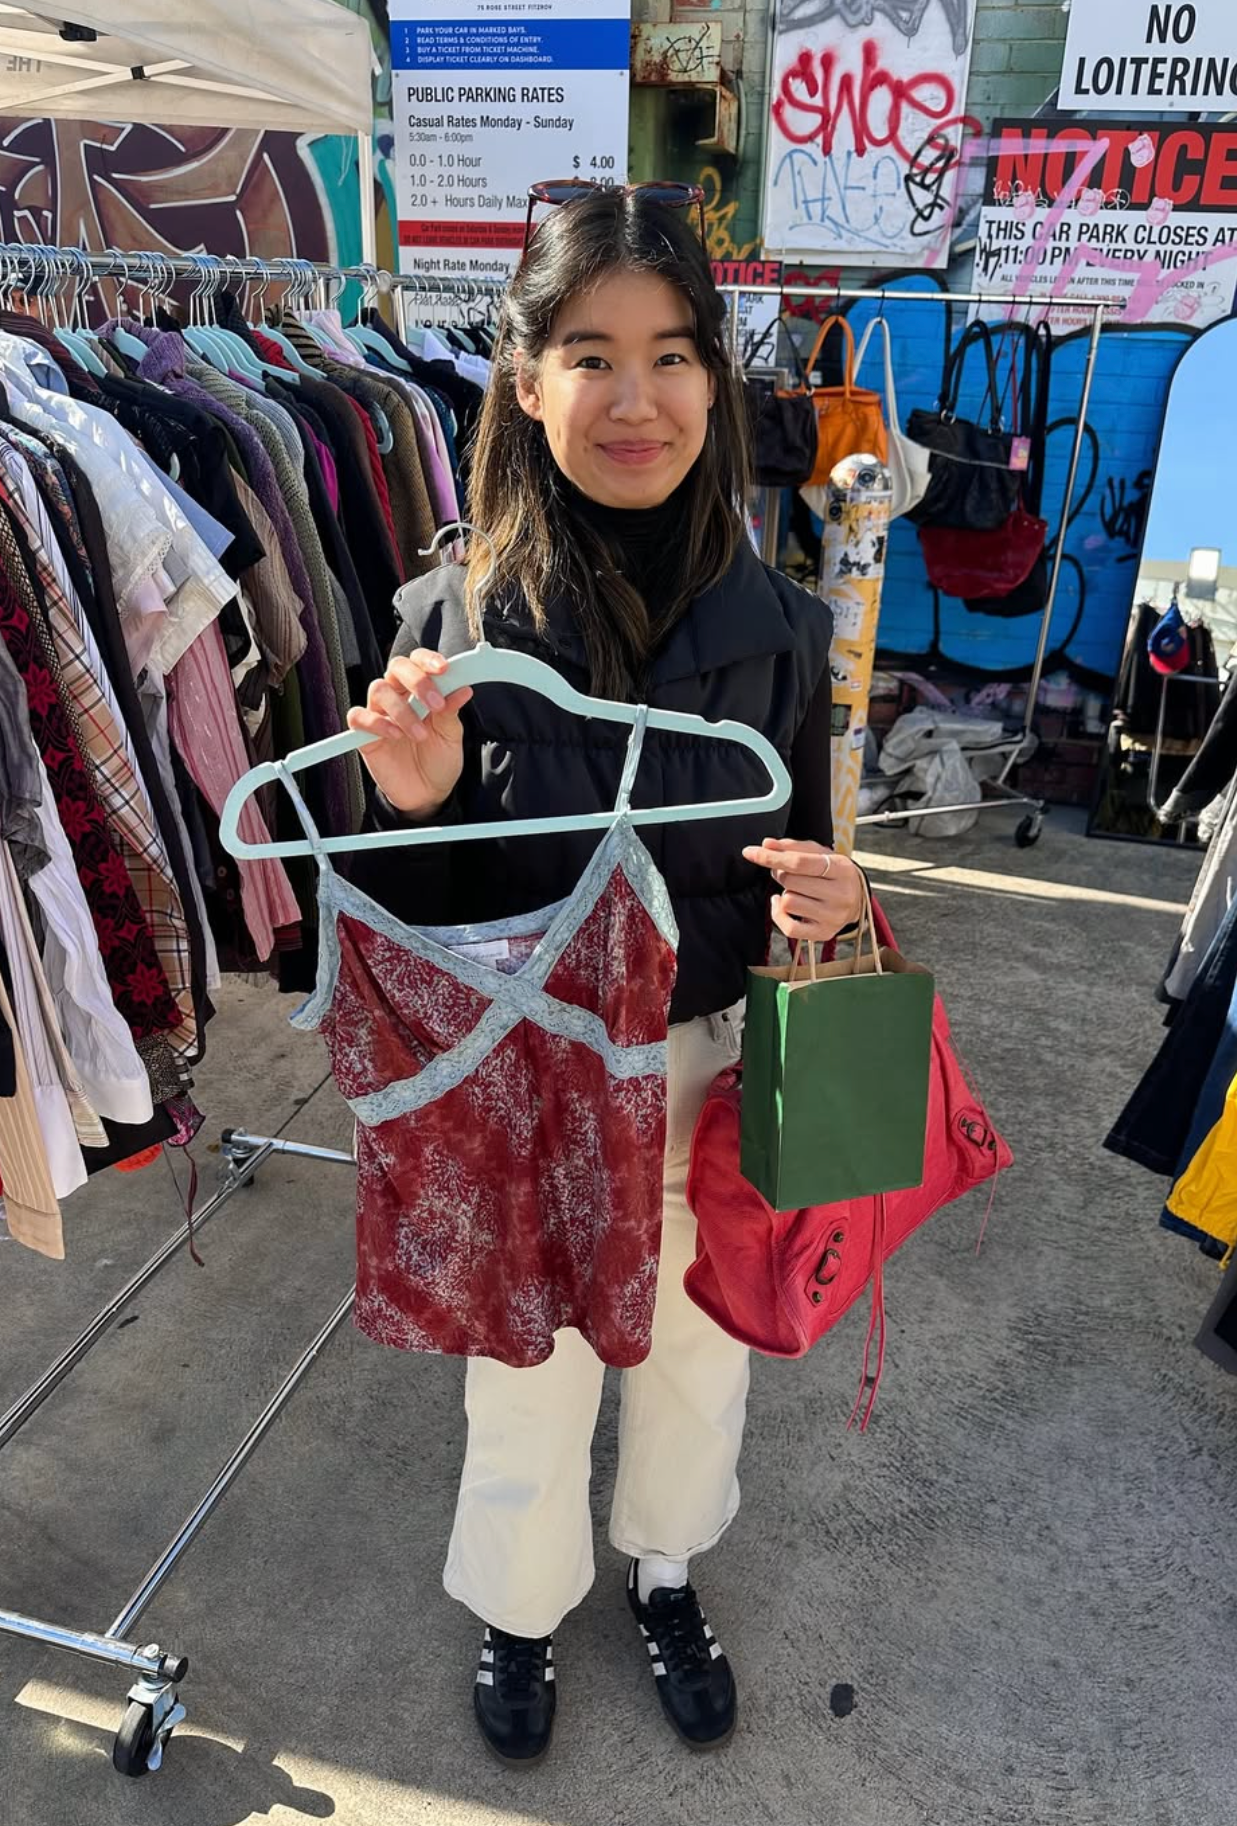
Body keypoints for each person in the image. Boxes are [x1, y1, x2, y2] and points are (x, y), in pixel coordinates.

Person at [346, 185, 864, 1765]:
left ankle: (662, 1566)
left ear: (718, 378)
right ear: (521, 375)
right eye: (589, 354)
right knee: (528, 1363)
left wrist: (830, 902)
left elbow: (806, 862)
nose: (634, 399)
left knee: (702, 1342)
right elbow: (404, 934)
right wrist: (415, 798)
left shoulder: (780, 624)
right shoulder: (449, 625)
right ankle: (517, 1602)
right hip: (530, 1071)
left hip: (709, 1055)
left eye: (670, 355)